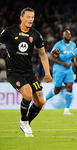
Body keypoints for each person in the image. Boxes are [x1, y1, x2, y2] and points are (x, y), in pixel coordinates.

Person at [0, 7, 52, 137]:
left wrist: (47, 73)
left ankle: (26, 122)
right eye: (28, 17)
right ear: (21, 17)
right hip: (14, 72)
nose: (30, 20)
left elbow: (43, 55)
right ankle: (23, 120)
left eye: (32, 17)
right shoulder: (9, 31)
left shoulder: (35, 35)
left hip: (29, 72)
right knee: (28, 95)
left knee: (40, 101)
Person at [45, 30, 76, 115]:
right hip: (59, 69)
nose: (68, 35)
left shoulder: (73, 45)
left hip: (69, 69)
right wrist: (62, 63)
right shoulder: (58, 45)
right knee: (57, 90)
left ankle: (66, 110)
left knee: (69, 86)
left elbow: (73, 55)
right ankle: (44, 100)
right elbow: (51, 57)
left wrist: (74, 61)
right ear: (63, 36)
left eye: (69, 34)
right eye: (66, 34)